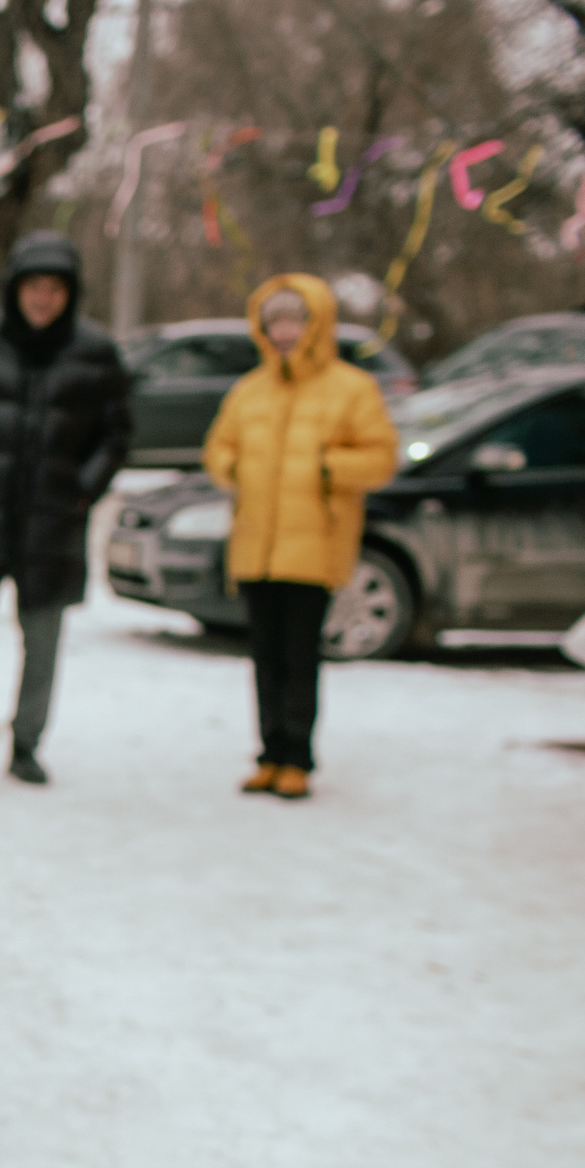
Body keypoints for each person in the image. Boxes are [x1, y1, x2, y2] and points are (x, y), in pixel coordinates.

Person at [0, 231, 133, 784]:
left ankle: (27, 743)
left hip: (54, 523)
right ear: (14, 288)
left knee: (42, 641)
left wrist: (83, 487)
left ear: (71, 294)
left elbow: (115, 435)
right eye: (33, 286)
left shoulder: (96, 353)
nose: (43, 298)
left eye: (55, 288)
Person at [202, 275, 399, 800]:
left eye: (295, 320)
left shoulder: (352, 388)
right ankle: (268, 753)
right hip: (256, 548)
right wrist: (232, 468)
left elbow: (381, 457)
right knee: (264, 657)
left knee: (299, 657)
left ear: (316, 324)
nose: (285, 332)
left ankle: (297, 758)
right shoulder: (250, 390)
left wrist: (327, 467)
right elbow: (218, 447)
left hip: (315, 548)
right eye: (276, 322)